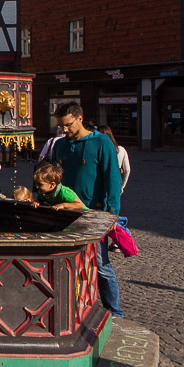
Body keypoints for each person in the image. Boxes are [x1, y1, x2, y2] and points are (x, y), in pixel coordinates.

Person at [51, 102, 124, 317]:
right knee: (70, 261)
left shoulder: (101, 143)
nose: (64, 130)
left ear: (80, 119)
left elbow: (113, 178)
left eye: (67, 125)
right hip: (66, 212)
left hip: (93, 213)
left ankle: (114, 310)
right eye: (61, 126)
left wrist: (112, 213)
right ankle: (76, 307)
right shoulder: (61, 145)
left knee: (100, 264)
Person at [97, 125, 131, 193]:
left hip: (99, 183)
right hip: (115, 182)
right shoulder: (121, 150)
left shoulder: (97, 149)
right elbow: (127, 170)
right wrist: (122, 186)